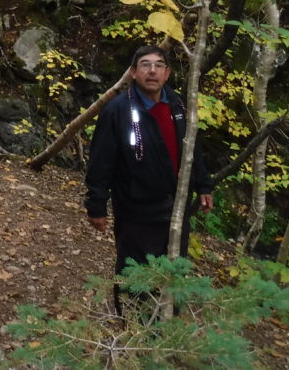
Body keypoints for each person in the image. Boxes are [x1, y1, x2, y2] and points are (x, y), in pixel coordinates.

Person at [84, 45, 214, 313]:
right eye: (145, 65)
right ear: (133, 72)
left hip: (176, 209)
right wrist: (96, 205)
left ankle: (166, 327)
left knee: (174, 270)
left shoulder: (178, 105)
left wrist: (203, 185)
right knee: (135, 274)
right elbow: (101, 160)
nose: (152, 70)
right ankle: (133, 328)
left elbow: (192, 149)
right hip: (136, 211)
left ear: (167, 73)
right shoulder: (118, 111)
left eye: (158, 65)